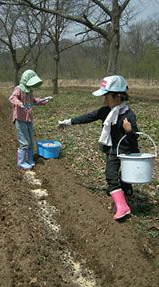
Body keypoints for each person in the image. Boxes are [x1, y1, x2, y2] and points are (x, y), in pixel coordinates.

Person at [58, 75, 139, 220]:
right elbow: (88, 117)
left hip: (127, 151)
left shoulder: (128, 115)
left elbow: (134, 138)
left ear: (118, 97)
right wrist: (69, 122)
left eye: (106, 96)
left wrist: (129, 130)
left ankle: (123, 201)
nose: (104, 100)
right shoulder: (105, 111)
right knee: (111, 175)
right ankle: (121, 204)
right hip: (113, 150)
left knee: (126, 178)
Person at [9, 69, 52, 170]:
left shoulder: (29, 91)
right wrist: (19, 103)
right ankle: (21, 162)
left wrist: (44, 100)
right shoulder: (19, 89)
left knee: (31, 141)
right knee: (24, 142)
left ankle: (29, 159)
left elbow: (33, 101)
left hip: (28, 119)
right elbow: (12, 98)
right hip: (20, 119)